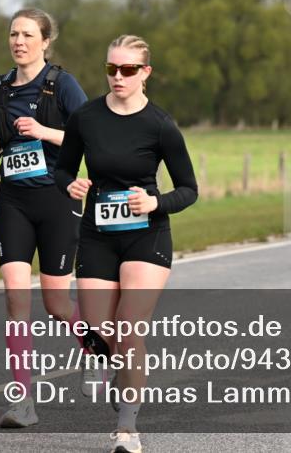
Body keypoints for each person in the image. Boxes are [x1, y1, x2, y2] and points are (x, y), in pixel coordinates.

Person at [55, 35, 198, 453]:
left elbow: (189, 189)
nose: (118, 77)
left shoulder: (160, 124)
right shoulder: (85, 117)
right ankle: (116, 369)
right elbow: (64, 171)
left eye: (128, 70)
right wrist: (73, 185)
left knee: (130, 328)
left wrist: (155, 201)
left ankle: (127, 429)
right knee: (100, 334)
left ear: (145, 73)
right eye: (111, 69)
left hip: (146, 235)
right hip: (98, 235)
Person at [0, 8, 88, 427]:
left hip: (57, 201)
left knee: (57, 303)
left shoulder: (62, 85)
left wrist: (45, 132)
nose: (19, 41)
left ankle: (96, 352)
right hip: (14, 203)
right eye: (13, 34)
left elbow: (90, 135)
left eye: (27, 34)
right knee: (15, 299)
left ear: (45, 41)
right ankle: (24, 401)